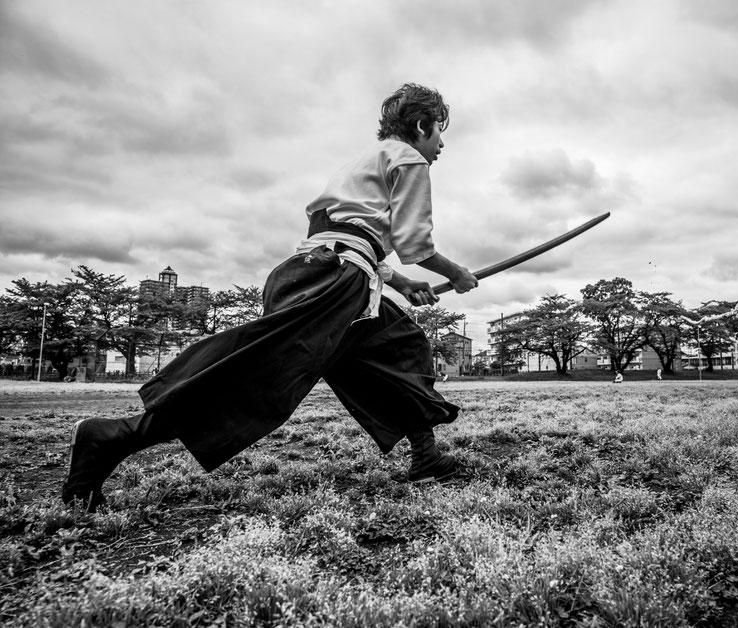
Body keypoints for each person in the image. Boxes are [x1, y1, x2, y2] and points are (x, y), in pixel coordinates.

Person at [63, 83, 478, 511]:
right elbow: (415, 242)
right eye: (439, 132)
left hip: (322, 270)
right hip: (334, 281)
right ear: (420, 124)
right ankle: (114, 437)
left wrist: (399, 283)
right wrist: (455, 273)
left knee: (401, 346)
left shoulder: (362, 164)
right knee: (258, 376)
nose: (442, 143)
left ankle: (426, 456)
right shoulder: (408, 157)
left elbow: (346, 234)